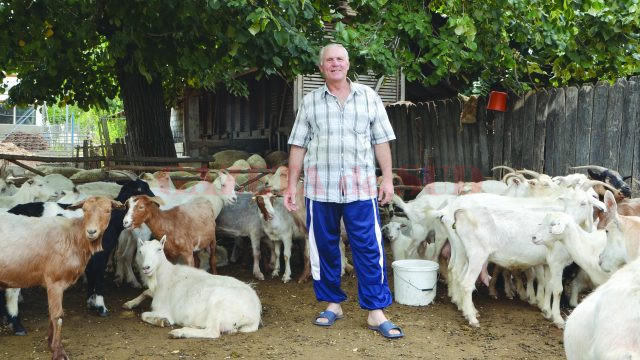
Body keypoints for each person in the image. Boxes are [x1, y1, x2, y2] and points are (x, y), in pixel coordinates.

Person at [284, 43, 403, 339]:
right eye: (329, 60)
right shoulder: (310, 102)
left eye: (340, 59)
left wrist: (387, 179)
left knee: (368, 247)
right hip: (319, 189)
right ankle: (333, 303)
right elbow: (298, 145)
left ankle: (376, 311)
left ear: (348, 65)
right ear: (322, 67)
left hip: (361, 189)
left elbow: (381, 142)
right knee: (323, 247)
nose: (335, 64)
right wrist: (290, 184)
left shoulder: (369, 98)